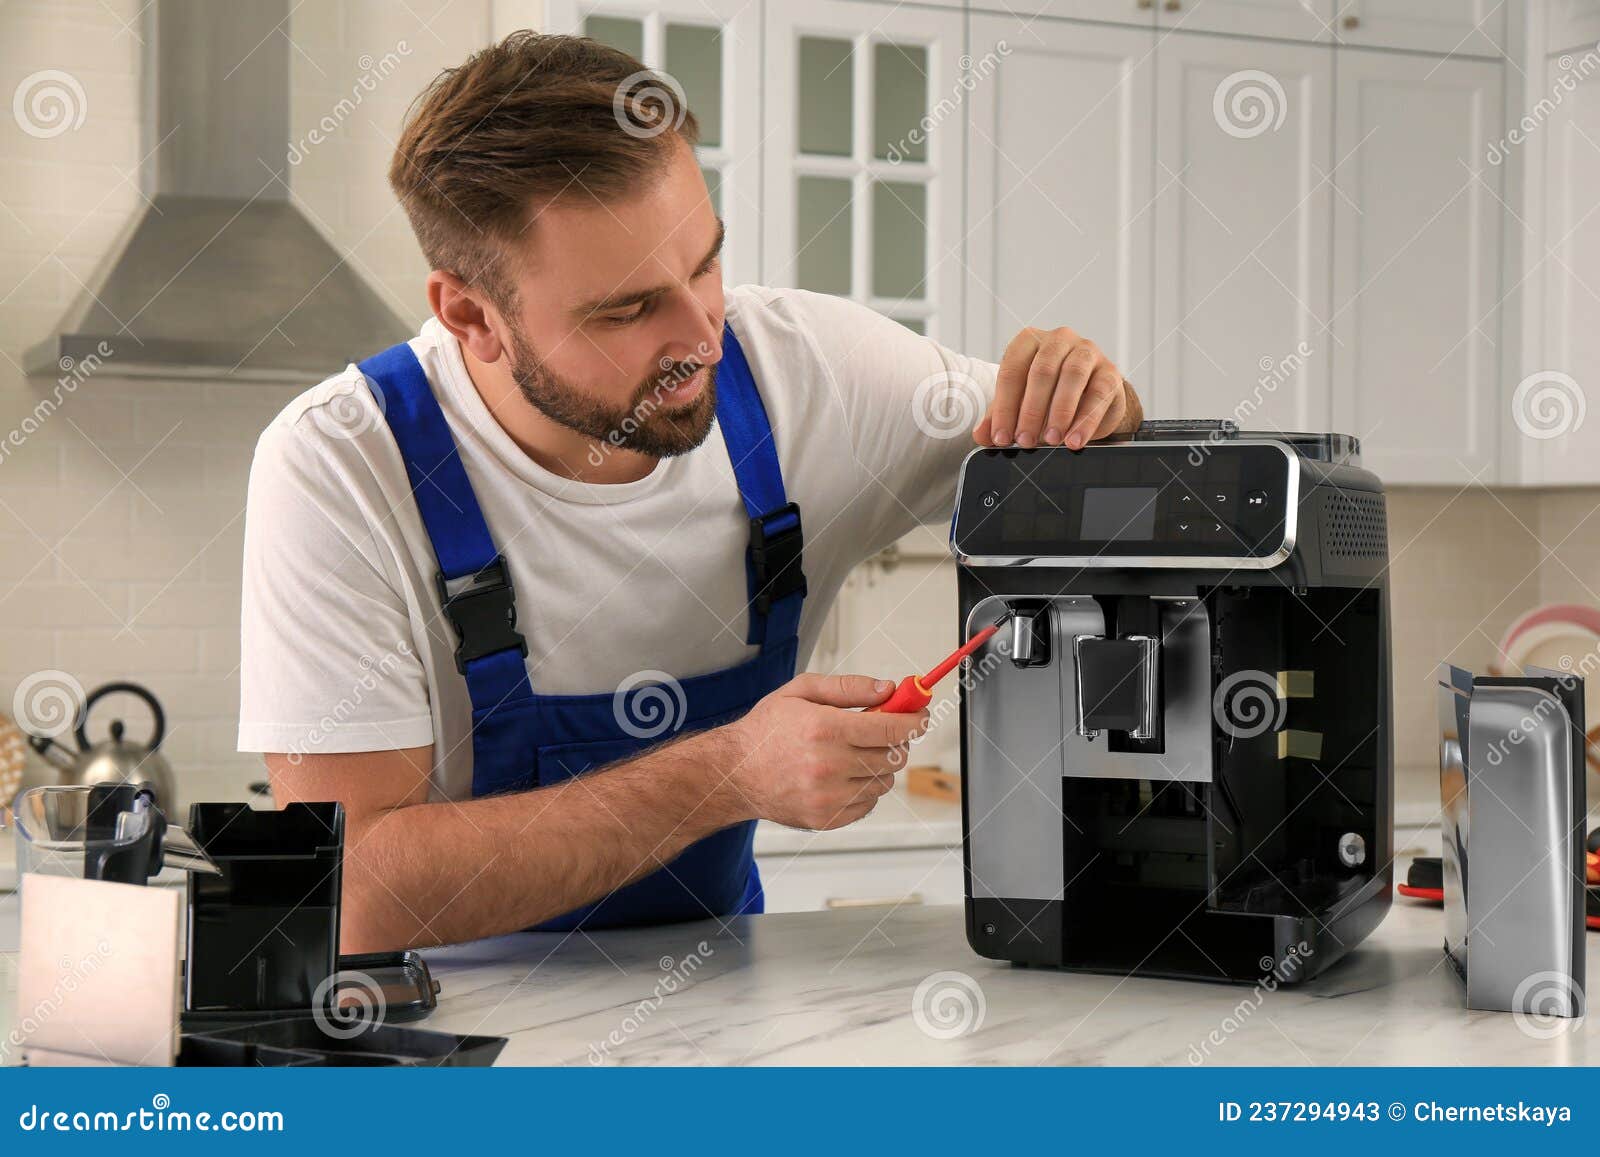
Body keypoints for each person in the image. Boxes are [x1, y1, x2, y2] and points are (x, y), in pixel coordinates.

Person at [238, 32, 1143, 952]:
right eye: (628, 309)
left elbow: (1119, 468)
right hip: (451, 1016)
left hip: (721, 998)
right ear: (472, 315)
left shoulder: (809, 371)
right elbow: (350, 891)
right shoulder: (343, 464)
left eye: (705, 264)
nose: (704, 337)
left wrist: (1097, 399)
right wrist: (726, 774)